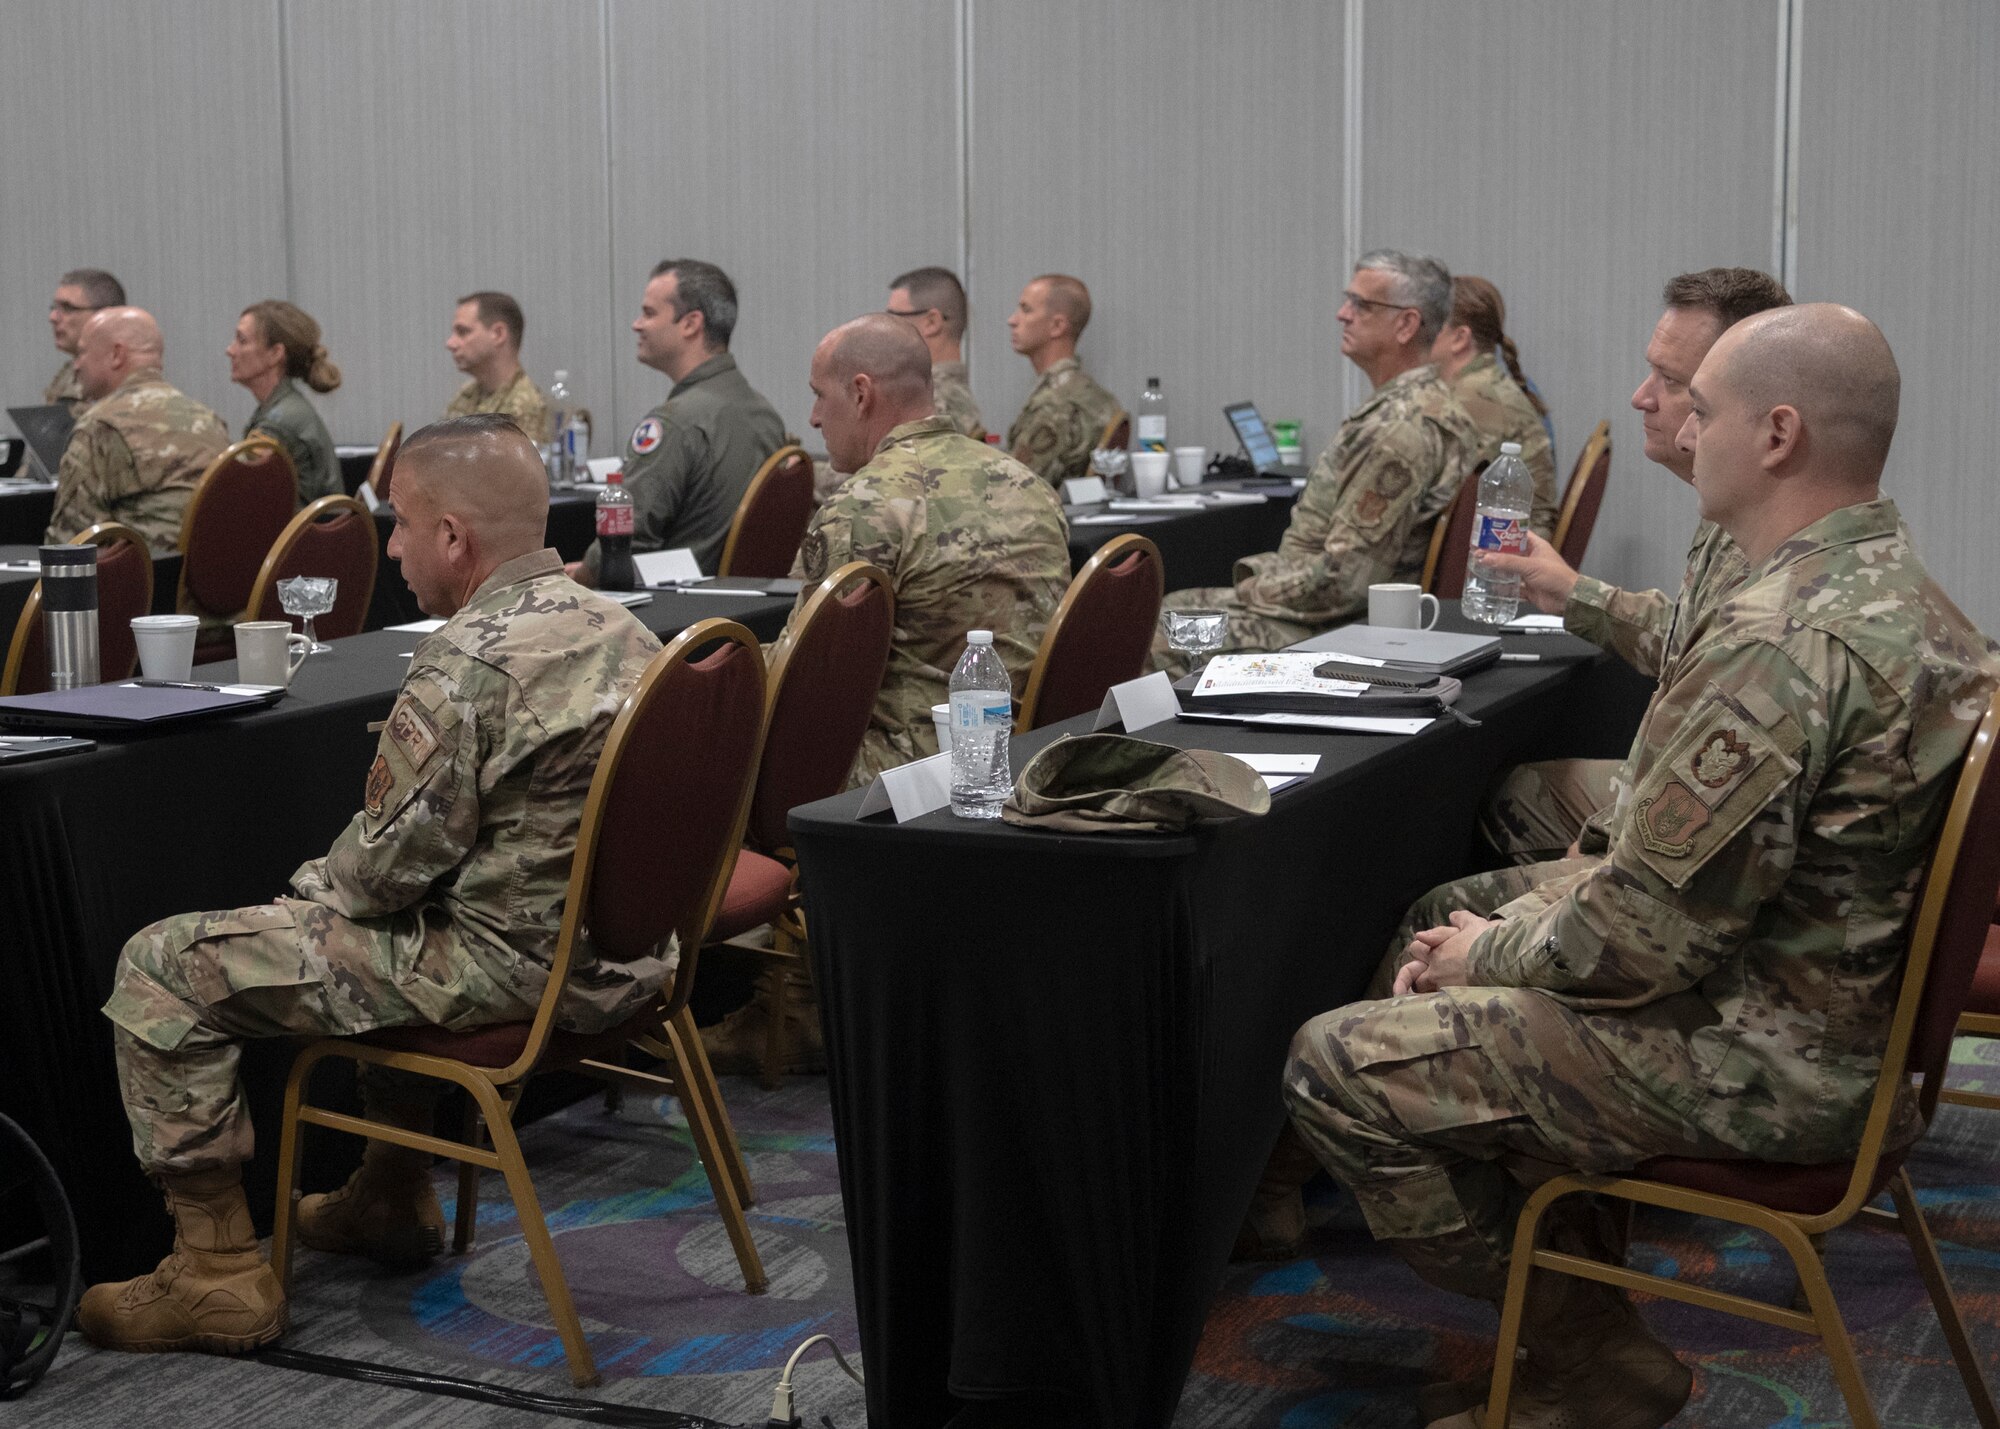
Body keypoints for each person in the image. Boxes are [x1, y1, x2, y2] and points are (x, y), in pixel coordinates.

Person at [1284, 305, 2000, 1429]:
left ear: (1774, 434)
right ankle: (1568, 1322)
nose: (1674, 424)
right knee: (1458, 937)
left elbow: (1637, 940)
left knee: (1338, 1063)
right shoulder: (1893, 589)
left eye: (1699, 409)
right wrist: (1502, 936)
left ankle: (1589, 1353)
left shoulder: (1778, 642)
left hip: (1763, 1067)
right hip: (1823, 1020)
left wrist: (1488, 949)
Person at [76, 415, 666, 1356]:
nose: (388, 548)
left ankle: (216, 1273)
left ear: (453, 538)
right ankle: (391, 1191)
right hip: (621, 963)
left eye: (397, 524)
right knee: (377, 926)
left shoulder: (469, 659)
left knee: (162, 964)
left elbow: (380, 877)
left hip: (509, 971)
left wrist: (302, 892)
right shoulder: (624, 628)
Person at [1477, 268, 1793, 865]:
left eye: (1673, 383)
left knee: (1431, 922)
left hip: (1690, 841)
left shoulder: (1773, 543)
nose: (1640, 397)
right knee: (1515, 792)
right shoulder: (1735, 506)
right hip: (1683, 814)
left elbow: (1710, 756)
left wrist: (1589, 856)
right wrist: (1576, 594)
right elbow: (1694, 639)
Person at [1152, 250, 1482, 673]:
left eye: (1362, 304)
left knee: (1160, 630)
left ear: (1406, 325)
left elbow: (1344, 583)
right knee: (1172, 608)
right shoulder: (1426, 405)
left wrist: (1256, 586)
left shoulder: (1398, 428)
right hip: (1348, 614)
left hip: (1345, 628)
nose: (1343, 314)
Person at [784, 313, 1069, 786]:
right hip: (1032, 749)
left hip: (917, 765)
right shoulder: (1029, 485)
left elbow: (805, 681)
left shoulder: (864, 506)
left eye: (819, 395)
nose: (813, 417)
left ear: (860, 393)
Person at [573, 259, 785, 582]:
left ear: (690, 324)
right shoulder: (765, 413)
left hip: (676, 612)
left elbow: (623, 538)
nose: (636, 324)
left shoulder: (675, 423)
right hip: (746, 607)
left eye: (649, 313)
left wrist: (573, 585)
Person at [46, 307, 229, 552]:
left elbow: (70, 547)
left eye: (81, 353)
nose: (76, 366)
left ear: (116, 355)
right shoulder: (209, 420)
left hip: (144, 583)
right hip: (214, 584)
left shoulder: (100, 427)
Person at [1429, 275, 1558, 539]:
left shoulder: (1470, 399)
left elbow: (1430, 502)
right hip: (1514, 544)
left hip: (1507, 554)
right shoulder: (1487, 385)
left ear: (1459, 338)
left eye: (1430, 325)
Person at [1004, 274, 1123, 485]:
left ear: (1057, 326)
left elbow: (1013, 489)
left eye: (1026, 309)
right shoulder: (1099, 397)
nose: (1012, 320)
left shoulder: (1054, 405)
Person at [228, 300, 343, 506]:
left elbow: (244, 500)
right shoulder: (284, 408)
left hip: (298, 535)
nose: (230, 350)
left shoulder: (277, 425)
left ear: (275, 354)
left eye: (242, 341)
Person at [887, 265, 986, 441]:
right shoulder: (952, 396)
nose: (886, 327)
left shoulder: (929, 401)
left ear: (932, 322)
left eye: (894, 316)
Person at [443, 291, 551, 443]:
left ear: (498, 334)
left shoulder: (525, 406)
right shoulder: (466, 394)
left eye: (463, 332)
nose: (450, 343)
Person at [44, 267, 126, 414]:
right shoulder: (67, 374)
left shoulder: (121, 373)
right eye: (54, 308)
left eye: (68, 308)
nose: (53, 317)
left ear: (103, 315)